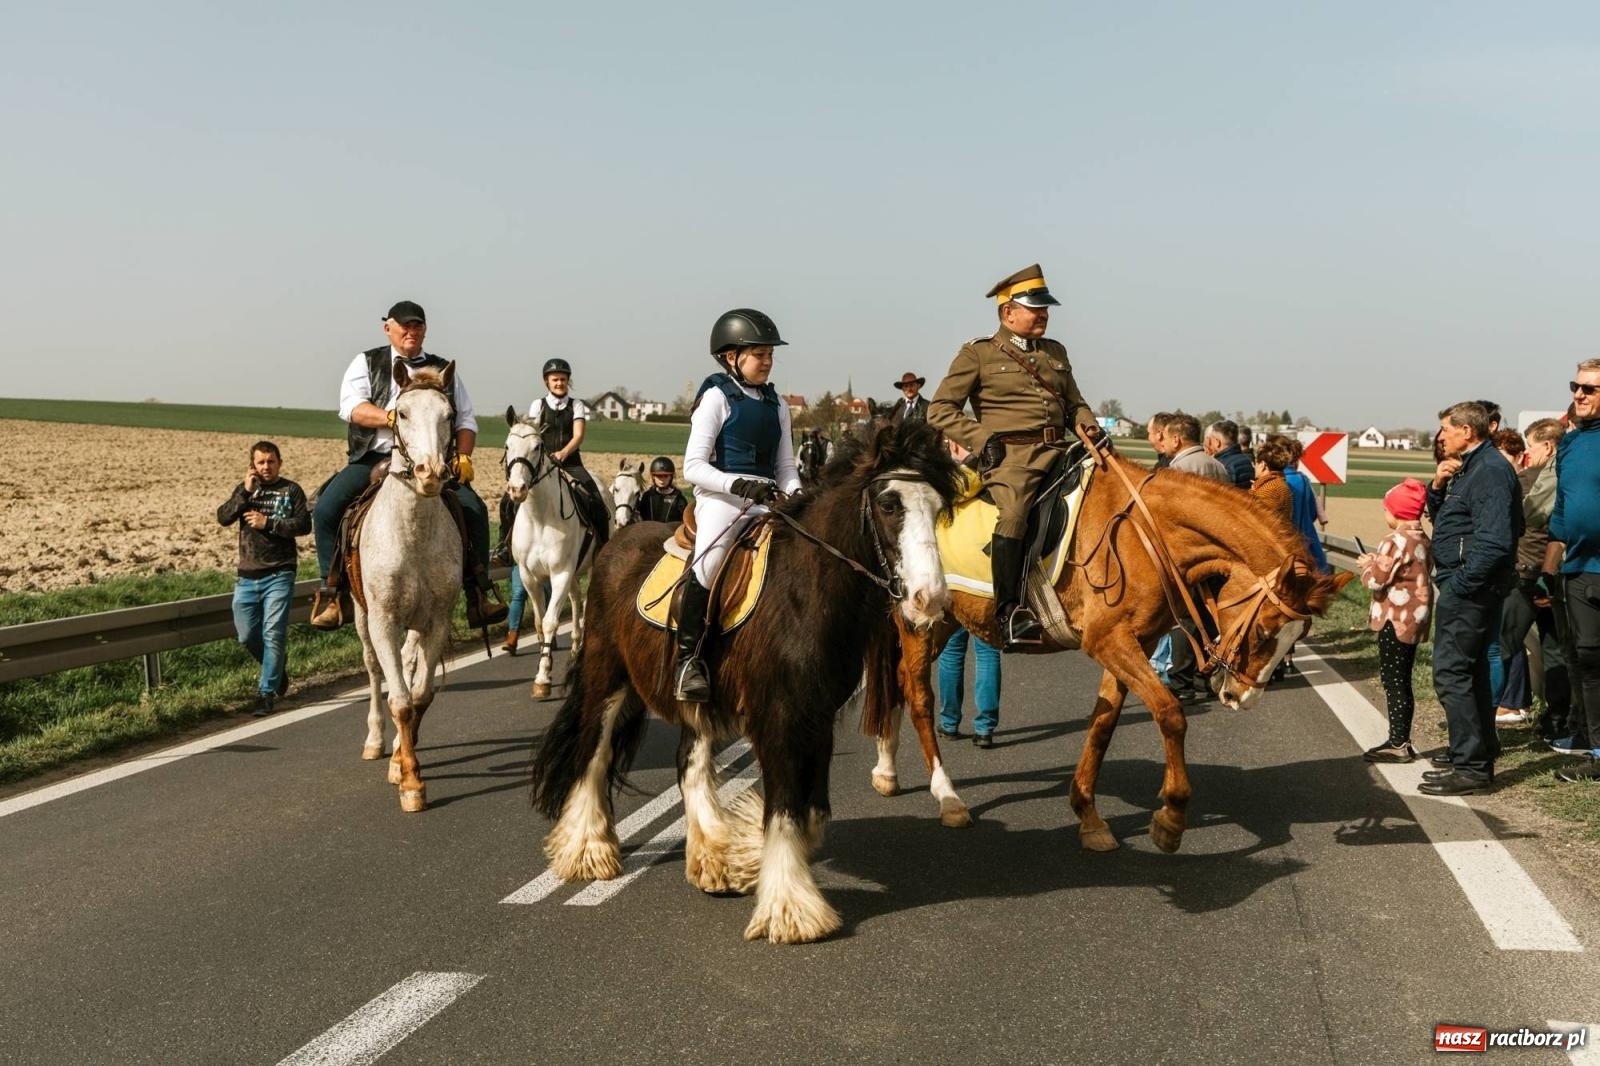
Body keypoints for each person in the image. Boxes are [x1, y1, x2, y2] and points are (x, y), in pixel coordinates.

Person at [927, 263, 1102, 649]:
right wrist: (981, 438)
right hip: (1012, 457)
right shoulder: (978, 354)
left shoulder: (1055, 352)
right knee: (1015, 512)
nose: (1044, 314)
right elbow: (939, 410)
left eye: (1045, 308)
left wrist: (1090, 428)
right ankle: (1011, 612)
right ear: (1009, 312)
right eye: (1035, 308)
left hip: (1061, 449)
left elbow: (1075, 404)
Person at [309, 300, 505, 630]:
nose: (411, 331)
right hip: (375, 457)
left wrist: (463, 456)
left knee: (474, 509)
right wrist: (395, 418)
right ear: (389, 328)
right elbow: (353, 408)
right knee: (326, 510)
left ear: (425, 330)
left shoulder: (444, 370)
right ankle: (333, 593)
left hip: (433, 459)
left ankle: (478, 594)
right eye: (404, 326)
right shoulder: (367, 362)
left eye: (417, 326)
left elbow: (466, 419)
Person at [674, 308, 804, 702]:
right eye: (759, 354)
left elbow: (784, 465)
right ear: (732, 357)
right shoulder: (715, 397)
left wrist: (799, 497)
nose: (767, 361)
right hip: (722, 499)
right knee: (709, 563)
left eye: (769, 355)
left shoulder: (776, 403)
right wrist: (739, 484)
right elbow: (692, 466)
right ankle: (688, 660)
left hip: (767, 499)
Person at [1419, 401, 1521, 796]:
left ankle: (1471, 767)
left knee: (1451, 673)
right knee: (1473, 670)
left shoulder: (1490, 470)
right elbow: (1451, 521)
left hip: (1471, 589)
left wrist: (1461, 583)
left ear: (1467, 431)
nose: (1441, 436)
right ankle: (1478, 755)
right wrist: (1437, 488)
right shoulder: (1471, 467)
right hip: (1469, 585)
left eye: (1446, 428)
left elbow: (1496, 541)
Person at [217, 441, 310, 716]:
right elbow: (223, 517)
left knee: (273, 633)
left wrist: (269, 523)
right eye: (260, 462)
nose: (266, 467)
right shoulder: (245, 490)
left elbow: (304, 525)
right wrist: (245, 492)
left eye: (270, 461)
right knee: (246, 636)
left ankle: (266, 693)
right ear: (252, 465)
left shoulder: (291, 490)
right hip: (246, 575)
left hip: (280, 572)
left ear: (279, 462)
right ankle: (277, 668)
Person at [493, 357, 611, 566]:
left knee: (596, 500)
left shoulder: (577, 405)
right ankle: (504, 546)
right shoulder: (537, 405)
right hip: (542, 465)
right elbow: (530, 434)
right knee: (506, 502)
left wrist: (564, 452)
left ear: (568, 381)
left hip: (571, 462)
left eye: (563, 379)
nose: (559, 383)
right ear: (546, 381)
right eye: (555, 379)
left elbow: (578, 435)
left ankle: (603, 547)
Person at [1496, 419, 1568, 732]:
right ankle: (1558, 717)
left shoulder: (1526, 481)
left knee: (1503, 644)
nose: (1527, 454)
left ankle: (1503, 706)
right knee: (1556, 649)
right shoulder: (1571, 479)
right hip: (1560, 577)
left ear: (1548, 446)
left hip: (1525, 576)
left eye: (1531, 447)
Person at [1356, 479, 1434, 762]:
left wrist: (1368, 566)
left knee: (1393, 681)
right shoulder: (1421, 538)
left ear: (1397, 511)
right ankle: (1402, 739)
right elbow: (1406, 570)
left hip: (1394, 619)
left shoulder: (1393, 541)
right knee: (1403, 678)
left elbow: (1377, 581)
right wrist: (1379, 560)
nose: (1385, 513)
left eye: (1386, 509)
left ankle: (1398, 743)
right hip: (1415, 618)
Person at [1550, 361, 1600, 777]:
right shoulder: (1570, 444)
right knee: (1587, 659)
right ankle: (1597, 752)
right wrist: (1549, 569)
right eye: (1576, 387)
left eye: (1590, 389)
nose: (1579, 395)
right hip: (1580, 569)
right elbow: (1563, 512)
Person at [1164, 414, 1231, 483]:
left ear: (1176, 440)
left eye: (1165, 438)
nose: (1163, 443)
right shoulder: (1220, 466)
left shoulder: (1177, 469)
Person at [1250, 433, 1295, 518]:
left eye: (1256, 463)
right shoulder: (1278, 483)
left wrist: (1252, 493)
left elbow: (1255, 518)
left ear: (1263, 464)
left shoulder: (1270, 489)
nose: (1254, 467)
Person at [636, 456, 690, 525]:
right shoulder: (647, 497)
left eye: (666, 476)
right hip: (649, 534)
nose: (662, 480)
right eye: (659, 476)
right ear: (653, 477)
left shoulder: (679, 499)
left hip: (671, 534)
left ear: (671, 477)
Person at [1204, 420, 1255, 489]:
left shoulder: (1221, 465)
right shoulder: (1246, 460)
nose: (1210, 443)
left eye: (1211, 440)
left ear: (1217, 442)